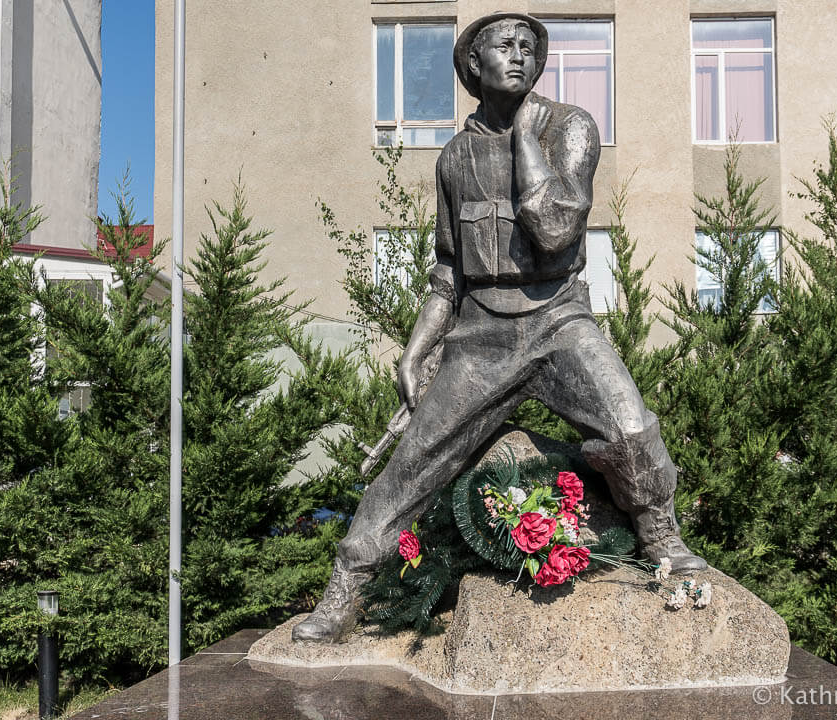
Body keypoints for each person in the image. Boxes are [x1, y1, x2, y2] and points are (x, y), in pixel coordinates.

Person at [293, 12, 705, 644]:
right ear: (473, 65)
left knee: (631, 427)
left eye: (528, 49)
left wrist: (524, 137)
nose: (520, 57)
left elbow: (555, 230)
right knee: (410, 466)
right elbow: (447, 270)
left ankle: (664, 540)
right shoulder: (455, 157)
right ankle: (346, 590)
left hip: (557, 319)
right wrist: (416, 350)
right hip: (481, 332)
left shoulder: (570, 128)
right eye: (504, 47)